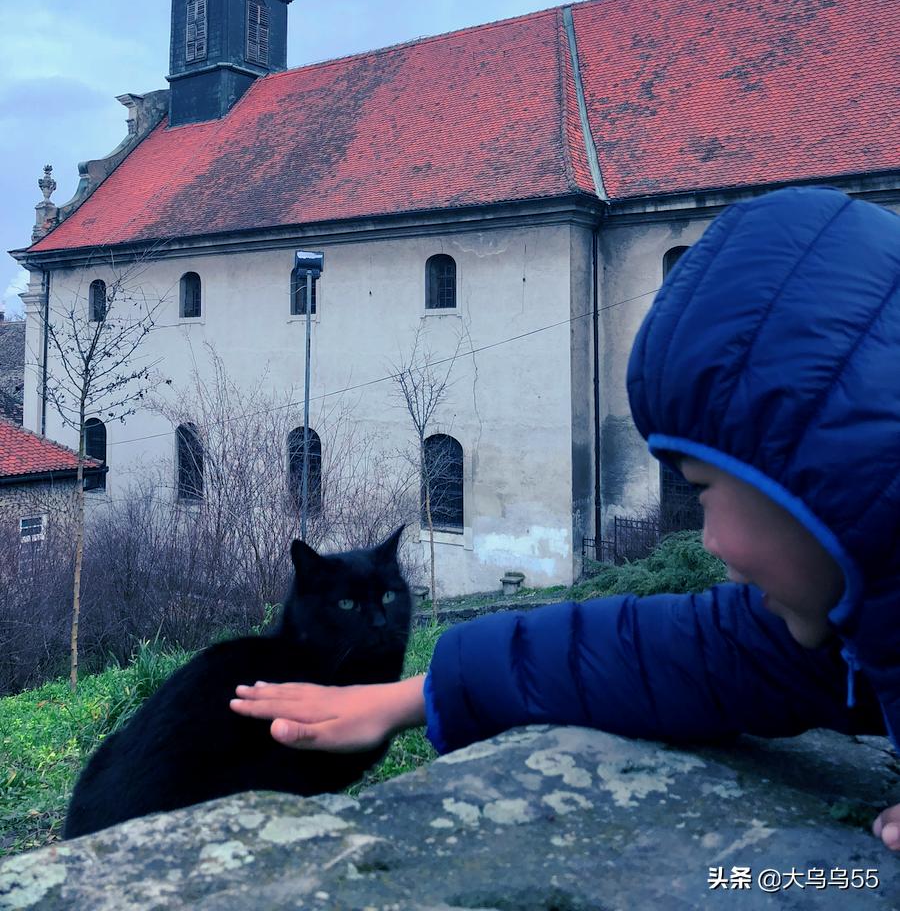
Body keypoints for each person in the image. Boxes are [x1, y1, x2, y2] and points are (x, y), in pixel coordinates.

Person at [231, 186, 900, 852]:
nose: (711, 540)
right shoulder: (844, 632)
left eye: (700, 489)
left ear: (832, 473)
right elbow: (680, 655)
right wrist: (413, 696)